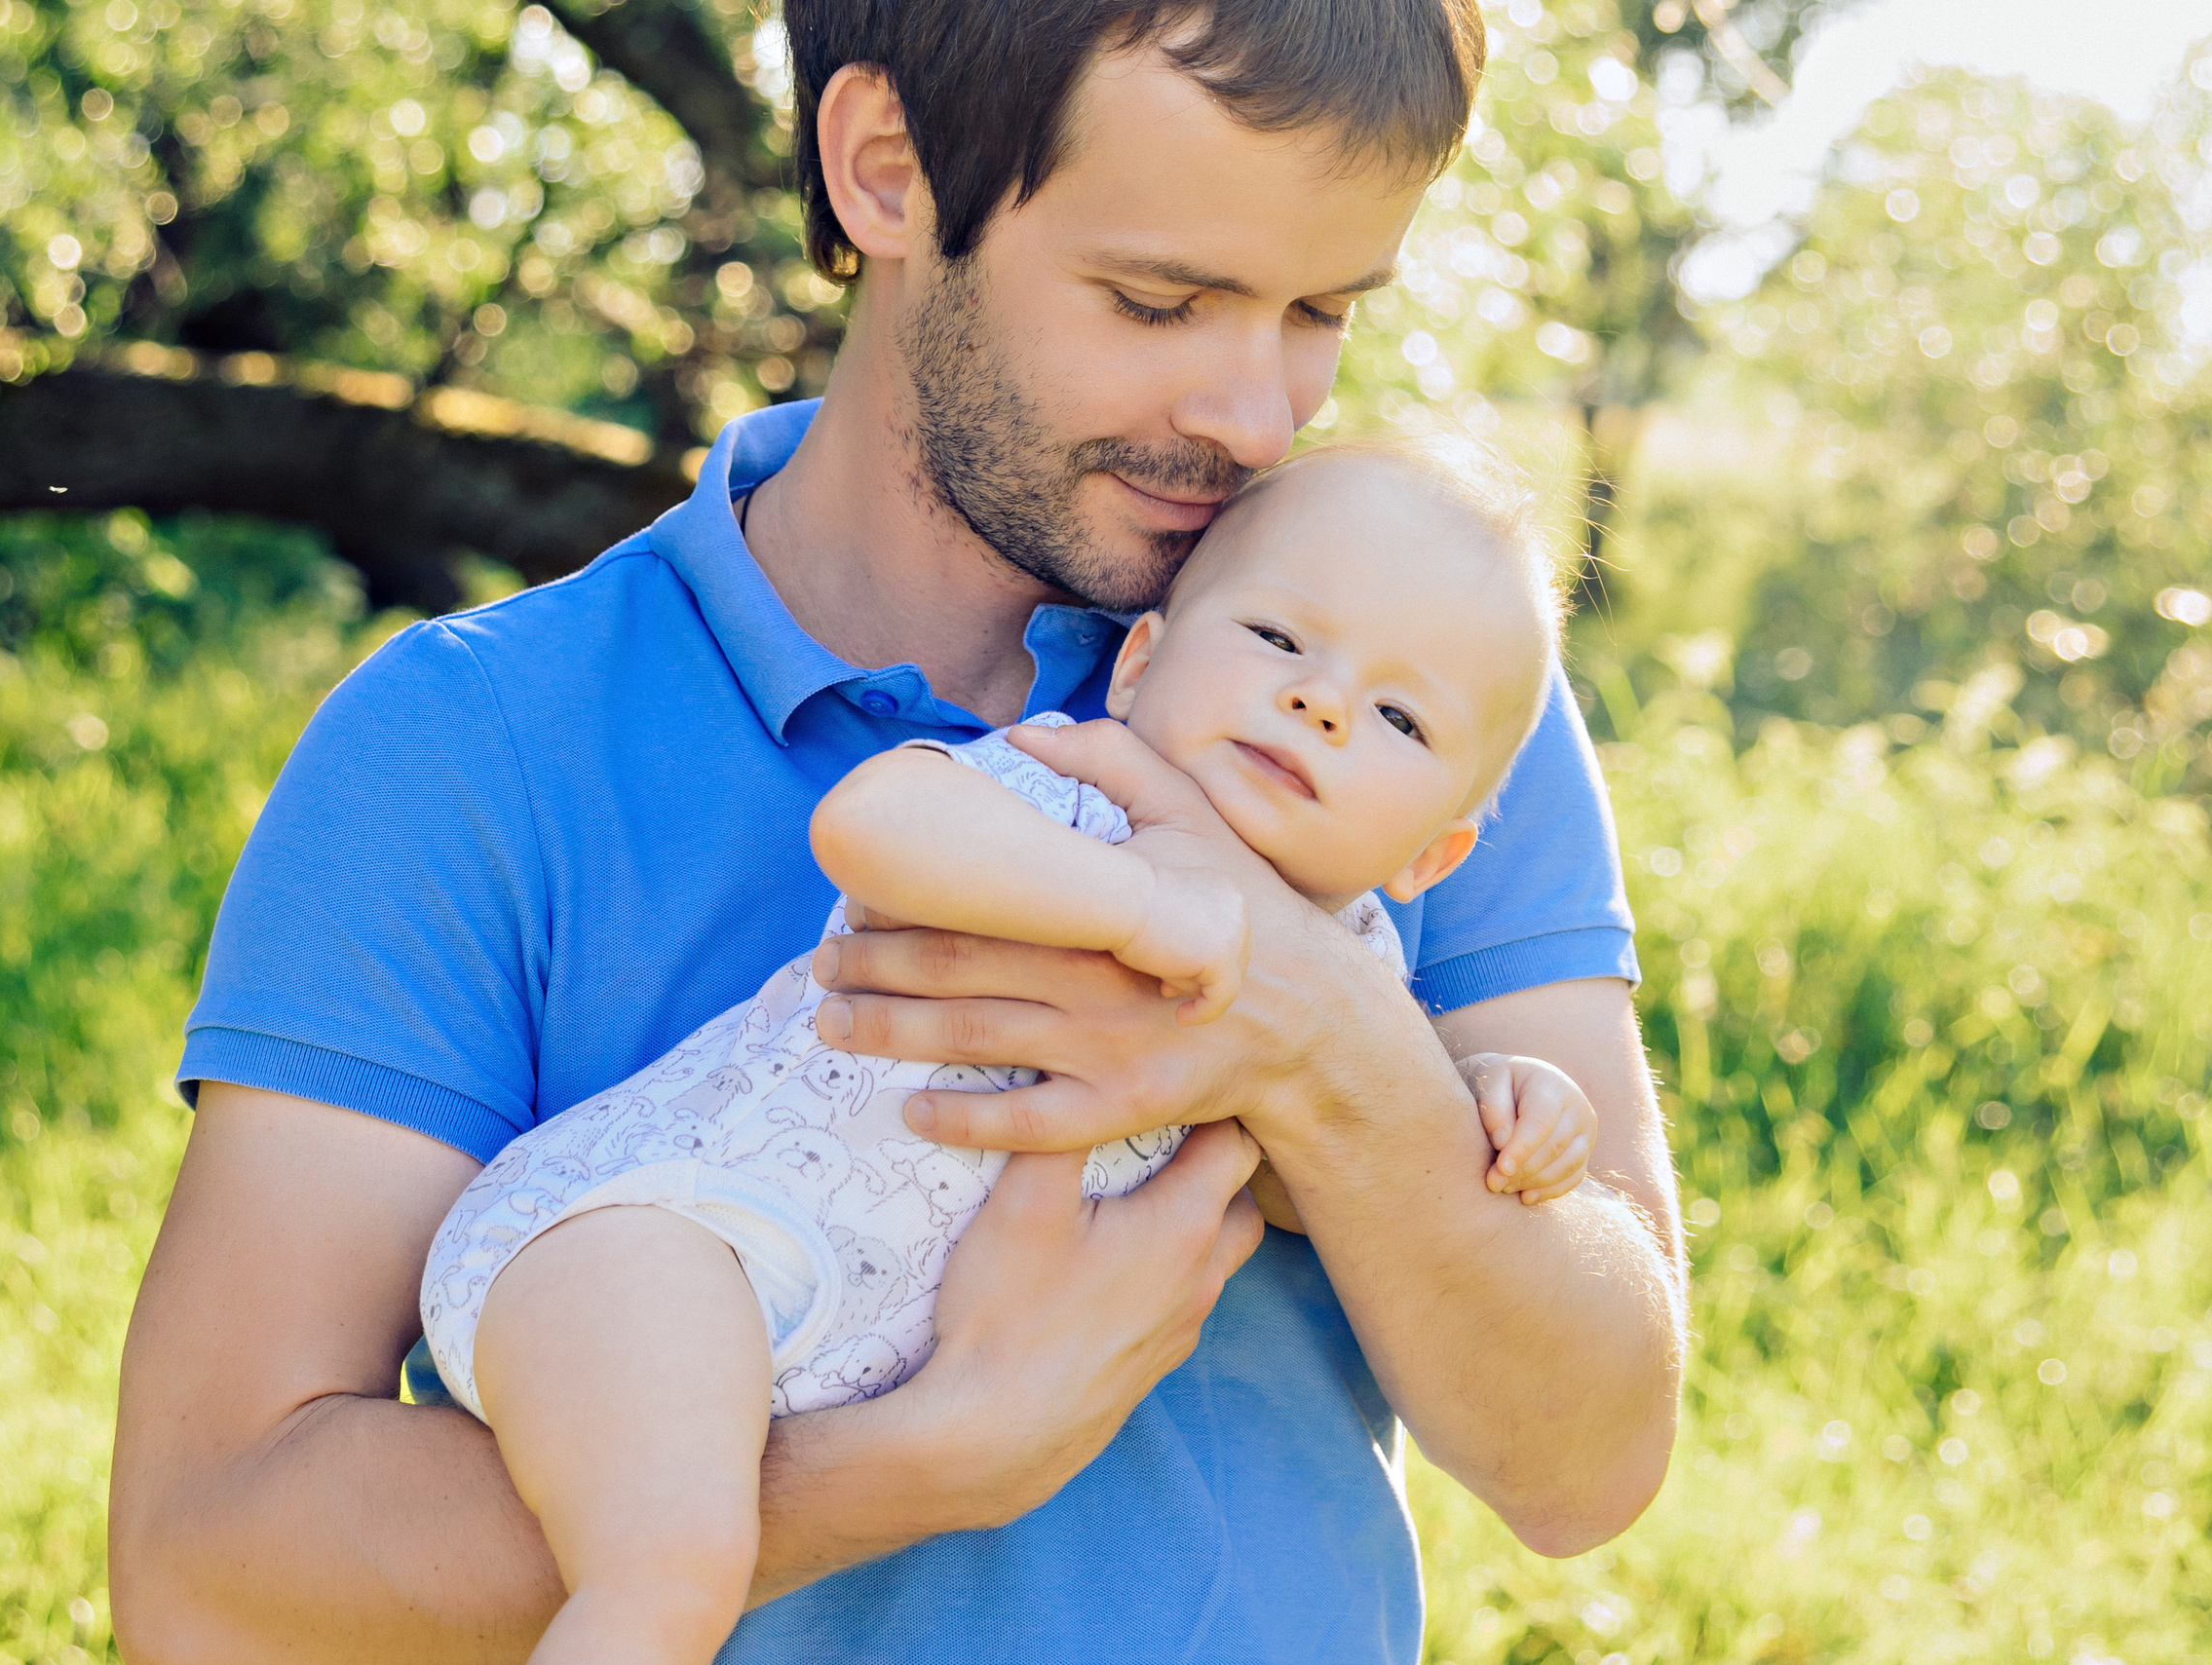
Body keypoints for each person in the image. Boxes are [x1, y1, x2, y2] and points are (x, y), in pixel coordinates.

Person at [108, 3, 1688, 1661]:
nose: (1254, 415)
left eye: (1324, 311)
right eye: (1159, 298)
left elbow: (1591, 1458)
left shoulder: (1386, 691)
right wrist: (907, 1463)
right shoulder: (472, 744)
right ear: (882, 169)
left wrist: (1320, 1041)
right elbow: (208, 1578)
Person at [424, 438, 1604, 1665]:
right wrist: (1136, 907)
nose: (1320, 702)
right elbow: (875, 821)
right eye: (1277, 640)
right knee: (671, 1571)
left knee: (691, 1514)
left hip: (823, 1340)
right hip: (657, 1231)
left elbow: (1335, 1177)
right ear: (1140, 663)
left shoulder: (1358, 971)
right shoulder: (1081, 789)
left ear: (1431, 857)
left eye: (1399, 715)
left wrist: (1484, 1101)